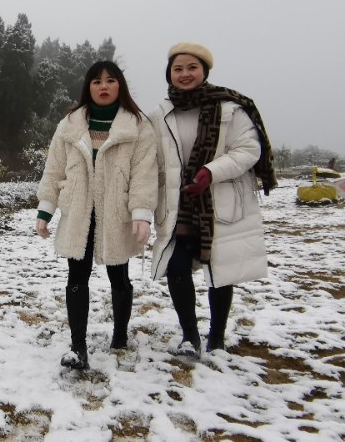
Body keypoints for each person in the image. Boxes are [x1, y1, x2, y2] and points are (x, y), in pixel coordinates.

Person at [151, 42, 277, 356]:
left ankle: (217, 337)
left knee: (220, 270)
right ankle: (189, 335)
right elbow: (149, 157)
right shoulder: (160, 114)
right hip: (179, 204)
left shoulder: (230, 108)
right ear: (169, 73)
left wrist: (210, 172)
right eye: (177, 68)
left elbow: (249, 150)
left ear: (204, 70)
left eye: (191, 67)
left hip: (218, 201)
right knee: (176, 266)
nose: (184, 74)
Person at [35, 60, 158, 370]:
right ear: (87, 87)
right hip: (78, 212)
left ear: (120, 86)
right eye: (97, 81)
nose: (103, 86)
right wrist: (46, 209)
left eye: (111, 80)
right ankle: (78, 346)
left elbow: (144, 173)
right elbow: (54, 168)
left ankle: (120, 335)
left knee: (120, 275)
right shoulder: (70, 124)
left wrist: (142, 213)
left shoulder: (137, 125)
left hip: (116, 213)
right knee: (76, 276)